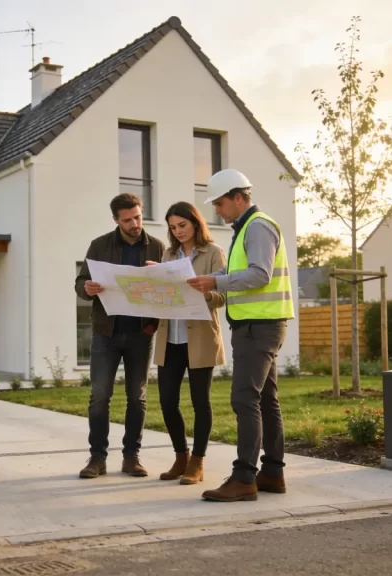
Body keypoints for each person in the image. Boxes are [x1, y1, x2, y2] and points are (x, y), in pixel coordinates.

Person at [186, 169, 295, 502]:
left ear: (238, 197)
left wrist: (217, 282)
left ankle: (244, 478)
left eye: (219, 203)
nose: (217, 210)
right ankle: (272, 473)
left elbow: (259, 274)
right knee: (265, 399)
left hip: (258, 327)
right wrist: (198, 278)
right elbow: (235, 272)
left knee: (244, 399)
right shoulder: (246, 228)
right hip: (257, 324)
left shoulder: (257, 226)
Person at [75, 193, 165, 479]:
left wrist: (161, 277)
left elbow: (171, 288)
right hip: (106, 333)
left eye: (138, 217)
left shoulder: (158, 247)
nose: (135, 223)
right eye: (128, 220)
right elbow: (80, 283)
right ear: (116, 220)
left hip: (142, 333)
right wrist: (86, 288)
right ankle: (97, 459)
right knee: (100, 395)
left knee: (136, 398)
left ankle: (131, 458)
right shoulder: (99, 246)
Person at [147, 202, 226, 485]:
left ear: (195, 223)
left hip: (200, 337)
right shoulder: (167, 254)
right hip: (170, 338)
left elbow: (223, 296)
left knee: (200, 402)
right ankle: (181, 456)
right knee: (167, 402)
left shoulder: (214, 253)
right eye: (172, 227)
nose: (178, 231)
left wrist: (201, 289)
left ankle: (198, 462)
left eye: (182, 225)